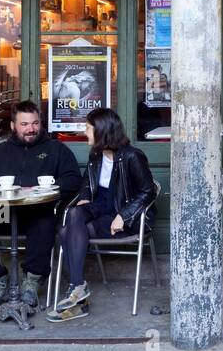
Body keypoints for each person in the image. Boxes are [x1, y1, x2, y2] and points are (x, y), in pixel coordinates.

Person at [0, 100, 82, 313]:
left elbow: (72, 180)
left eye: (34, 123)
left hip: (37, 211)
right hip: (2, 211)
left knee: (44, 224)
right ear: (13, 126)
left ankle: (32, 281)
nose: (31, 129)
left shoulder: (56, 150)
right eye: (24, 124)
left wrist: (48, 190)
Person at [48, 107, 158, 321]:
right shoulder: (96, 155)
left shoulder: (132, 156)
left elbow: (148, 191)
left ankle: (79, 298)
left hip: (125, 216)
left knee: (65, 232)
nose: (84, 132)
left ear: (102, 131)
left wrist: (124, 215)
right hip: (100, 208)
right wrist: (85, 195)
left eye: (88, 128)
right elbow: (86, 184)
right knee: (72, 214)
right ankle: (78, 287)